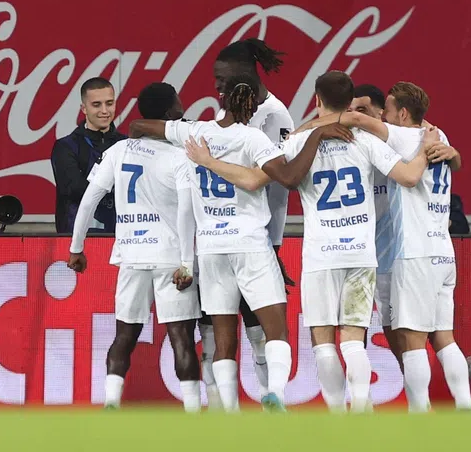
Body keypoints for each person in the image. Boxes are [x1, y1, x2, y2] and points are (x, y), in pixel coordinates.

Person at [122, 73, 343, 412]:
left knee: (223, 338)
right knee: (276, 332)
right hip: (250, 244)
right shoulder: (254, 139)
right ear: (253, 105)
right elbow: (286, 178)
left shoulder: (193, 132)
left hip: (209, 247)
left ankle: (230, 414)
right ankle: (276, 395)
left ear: (220, 99)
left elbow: (139, 125)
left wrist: (151, 158)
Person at [274, 71, 427, 413]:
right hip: (360, 252)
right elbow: (409, 177)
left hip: (321, 254)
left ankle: (337, 419)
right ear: (350, 103)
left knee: (324, 344)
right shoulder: (367, 140)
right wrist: (424, 151)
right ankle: (361, 408)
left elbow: (282, 175)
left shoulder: (298, 142)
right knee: (353, 341)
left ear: (317, 100)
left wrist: (307, 130)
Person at [65, 82, 206, 412]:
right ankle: (193, 414)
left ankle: (111, 405)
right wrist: (187, 261)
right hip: (171, 257)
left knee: (124, 337)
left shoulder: (118, 151)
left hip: (131, 253)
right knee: (181, 339)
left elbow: (89, 201)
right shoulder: (181, 156)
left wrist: (76, 247)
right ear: (171, 114)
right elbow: (186, 210)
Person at [344, 80, 469, 411]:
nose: (382, 115)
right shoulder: (437, 136)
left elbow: (358, 121)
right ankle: (466, 408)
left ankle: (419, 416)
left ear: (402, 112)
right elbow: (451, 159)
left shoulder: (403, 136)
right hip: (443, 251)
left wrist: (320, 118)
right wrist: (453, 154)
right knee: (444, 337)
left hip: (414, 253)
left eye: (386, 109)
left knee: (412, 342)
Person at [211, 37, 295, 386]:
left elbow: (276, 184)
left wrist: (274, 243)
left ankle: (269, 395)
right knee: (223, 326)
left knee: (259, 325)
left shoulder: (275, 114)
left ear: (244, 73)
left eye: (221, 77)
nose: (216, 85)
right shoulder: (224, 111)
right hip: (222, 237)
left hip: (257, 237)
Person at [53, 76, 126, 238]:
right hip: (78, 239)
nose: (105, 111)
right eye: (96, 105)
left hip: (122, 238)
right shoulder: (66, 146)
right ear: (84, 108)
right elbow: (74, 190)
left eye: (109, 103)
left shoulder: (127, 144)